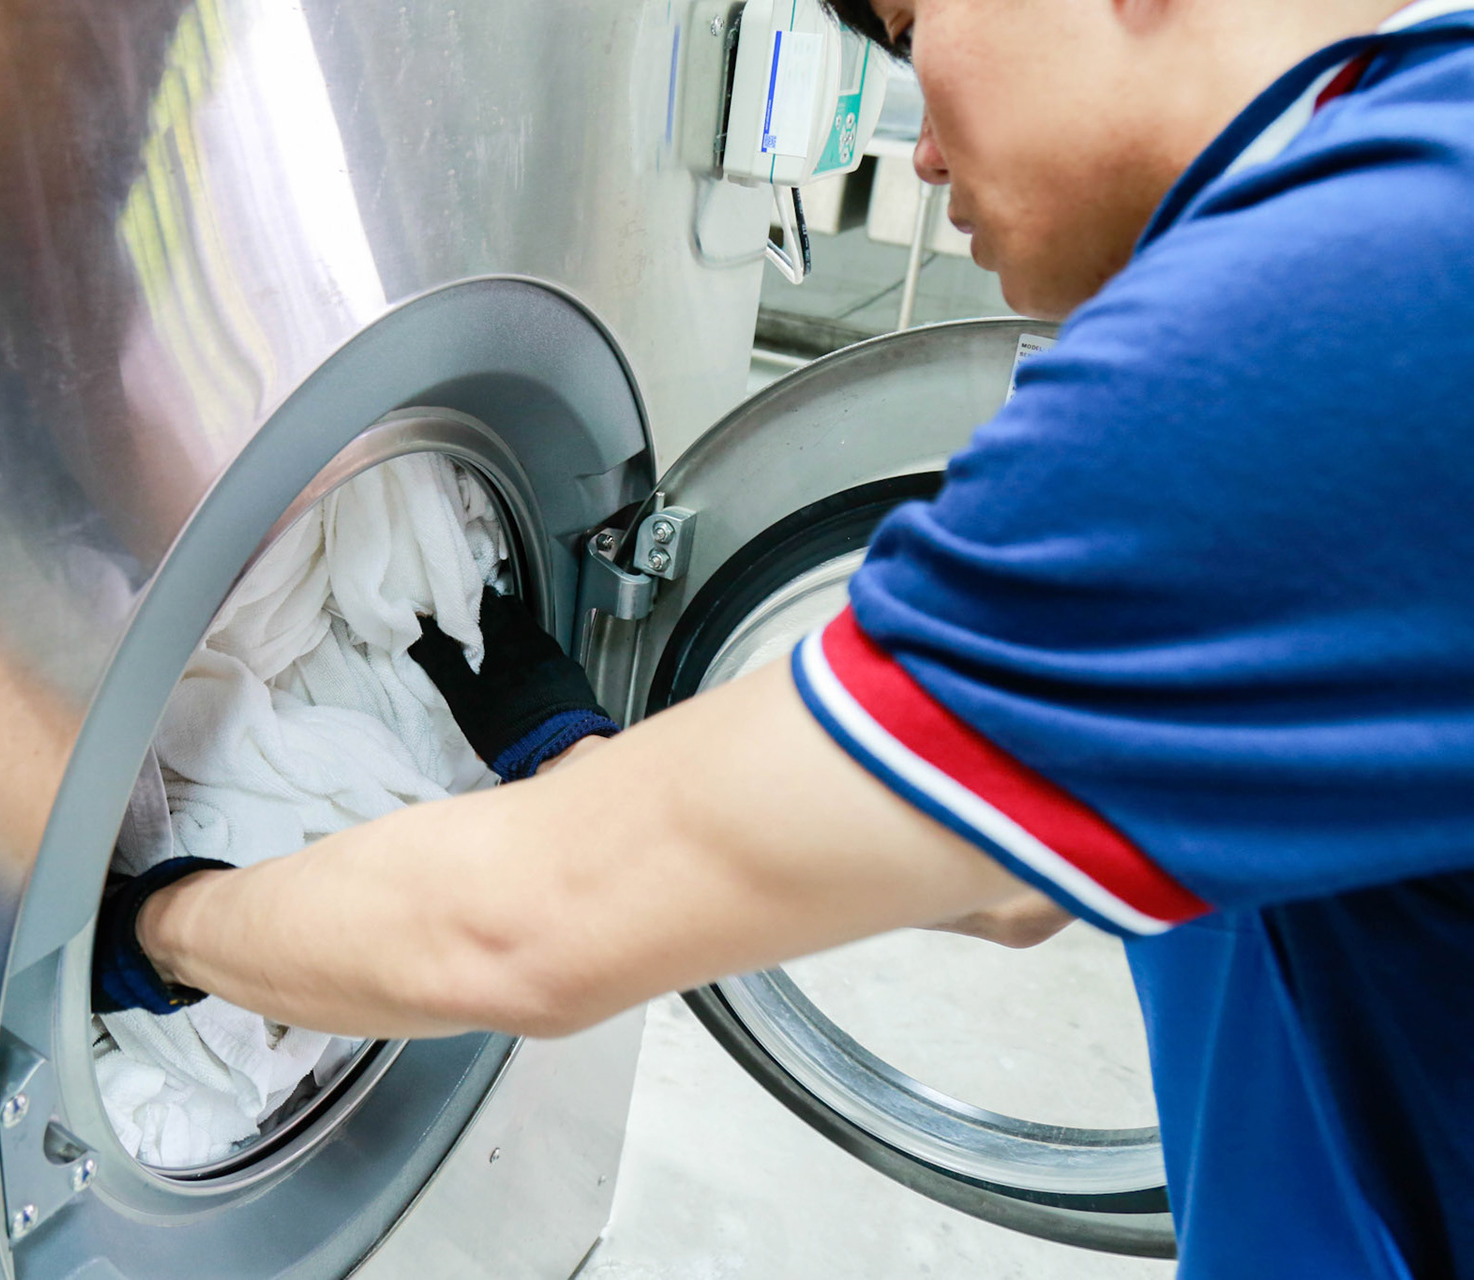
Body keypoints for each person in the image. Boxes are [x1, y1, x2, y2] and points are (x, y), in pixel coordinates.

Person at [94, 1, 1474, 1274]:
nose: (920, 152)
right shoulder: (1411, 194)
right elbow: (1021, 865)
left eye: (913, 29)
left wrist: (158, 925)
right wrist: (559, 739)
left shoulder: (1334, 313)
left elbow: (540, 919)